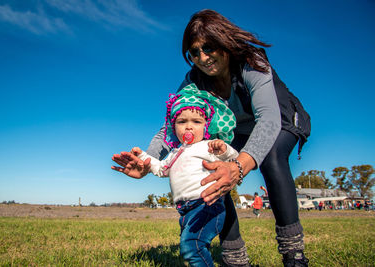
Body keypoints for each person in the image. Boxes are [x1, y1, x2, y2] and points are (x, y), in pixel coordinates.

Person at [113, 9, 310, 267]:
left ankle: (293, 255)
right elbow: (170, 128)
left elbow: (268, 120)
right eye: (194, 53)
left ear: (224, 43)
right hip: (238, 133)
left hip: (280, 120)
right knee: (210, 169)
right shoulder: (192, 82)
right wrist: (147, 161)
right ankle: (235, 258)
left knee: (271, 157)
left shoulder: (252, 61)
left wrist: (238, 167)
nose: (202, 58)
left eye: (208, 48)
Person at [113, 85, 240, 266]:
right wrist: (142, 156)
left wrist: (224, 148)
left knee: (191, 246)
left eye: (196, 122)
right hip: (185, 209)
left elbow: (234, 159)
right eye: (182, 122)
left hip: (206, 204)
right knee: (196, 245)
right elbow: (160, 169)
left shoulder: (209, 145)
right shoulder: (175, 153)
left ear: (206, 126)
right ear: (173, 127)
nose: (189, 126)